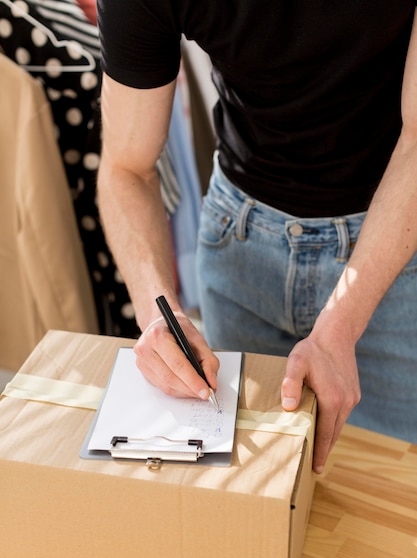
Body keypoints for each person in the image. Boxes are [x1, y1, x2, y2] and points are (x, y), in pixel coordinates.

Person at [96, 1, 417, 473]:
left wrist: (341, 326)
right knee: (250, 488)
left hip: (393, 250)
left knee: (391, 495)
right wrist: (157, 311)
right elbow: (126, 167)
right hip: (239, 243)